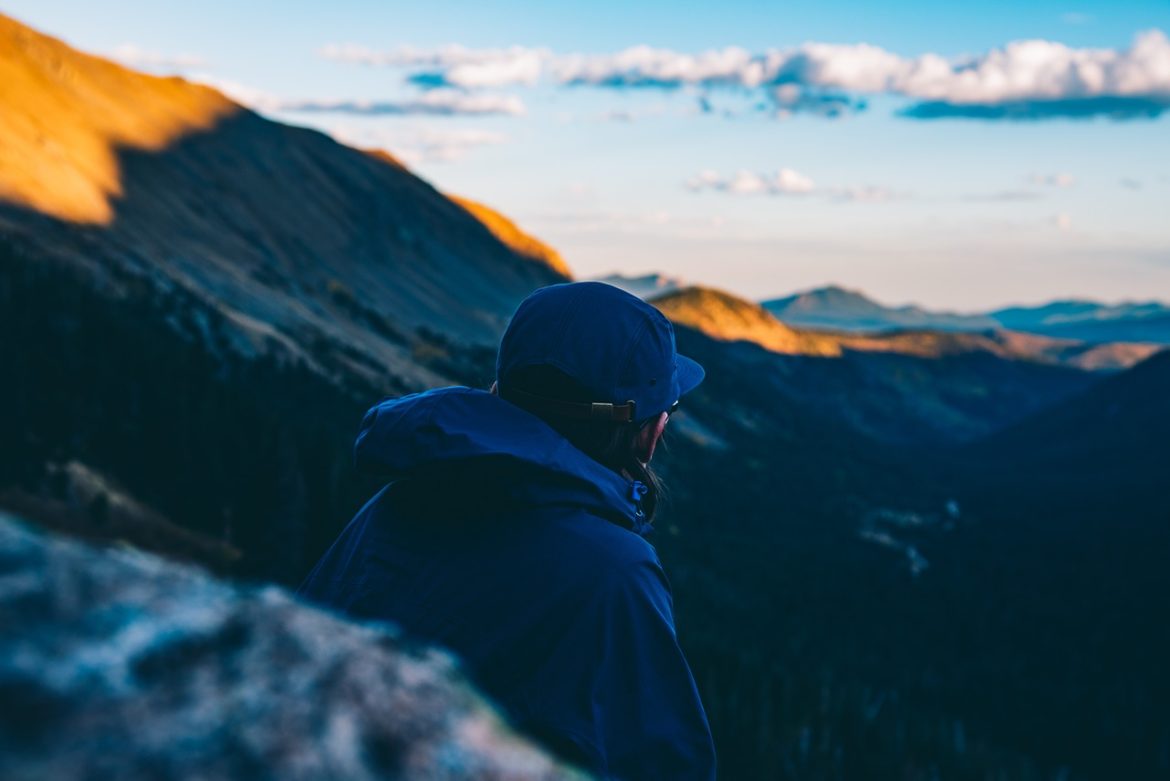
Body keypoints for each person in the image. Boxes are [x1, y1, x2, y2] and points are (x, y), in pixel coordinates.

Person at [297, 281, 716, 779]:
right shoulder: (615, 571)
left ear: (501, 391)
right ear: (648, 436)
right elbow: (666, 766)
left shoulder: (402, 499)